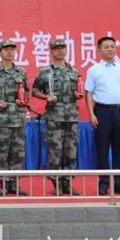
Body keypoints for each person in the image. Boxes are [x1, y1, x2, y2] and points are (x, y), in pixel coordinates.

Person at [85, 36, 120, 196]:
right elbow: (89, 93)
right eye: (106, 47)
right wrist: (91, 114)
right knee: (102, 149)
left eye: (112, 46)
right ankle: (104, 183)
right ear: (99, 50)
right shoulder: (94, 70)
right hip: (102, 112)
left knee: (119, 149)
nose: (110, 49)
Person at [32, 39, 83, 196]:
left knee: (71, 151)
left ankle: (67, 182)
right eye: (56, 48)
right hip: (54, 116)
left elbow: (78, 91)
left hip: (71, 116)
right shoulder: (45, 72)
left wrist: (77, 94)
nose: (60, 51)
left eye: (62, 48)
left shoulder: (74, 72)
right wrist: (47, 97)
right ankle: (57, 184)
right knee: (55, 151)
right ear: (51, 52)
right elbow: (35, 90)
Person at [0, 39, 30, 196]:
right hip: (1, 117)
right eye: (6, 49)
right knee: (3, 151)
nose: (10, 52)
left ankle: (15, 183)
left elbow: (27, 92)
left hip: (18, 116)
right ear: (0, 52)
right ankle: (3, 183)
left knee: (18, 152)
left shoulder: (21, 72)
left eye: (12, 49)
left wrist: (23, 100)